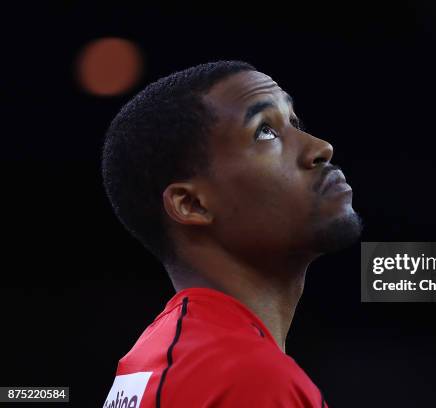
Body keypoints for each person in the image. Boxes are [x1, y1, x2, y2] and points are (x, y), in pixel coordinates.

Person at [101, 60, 363, 407]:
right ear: (191, 204)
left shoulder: (150, 363)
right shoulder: (251, 379)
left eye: (294, 123)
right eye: (265, 131)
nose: (321, 147)